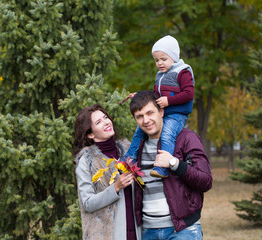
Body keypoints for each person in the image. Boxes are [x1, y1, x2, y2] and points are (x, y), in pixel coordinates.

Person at [129, 90, 212, 239]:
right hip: (148, 231)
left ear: (161, 111)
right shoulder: (137, 148)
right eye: (139, 117)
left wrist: (174, 163)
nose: (145, 120)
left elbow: (205, 181)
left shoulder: (186, 138)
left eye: (150, 113)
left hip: (182, 230)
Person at [125, 35, 195, 178]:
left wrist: (169, 101)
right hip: (162, 112)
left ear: (173, 57)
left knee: (167, 135)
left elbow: (189, 94)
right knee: (139, 131)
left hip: (177, 113)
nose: (160, 63)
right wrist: (140, 95)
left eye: (164, 59)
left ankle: (162, 167)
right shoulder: (160, 75)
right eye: (157, 60)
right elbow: (156, 96)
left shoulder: (183, 72)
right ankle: (128, 160)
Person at [74, 104, 141, 240]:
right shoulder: (86, 161)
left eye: (105, 117)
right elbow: (87, 203)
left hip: (137, 231)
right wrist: (116, 187)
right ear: (90, 134)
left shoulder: (128, 151)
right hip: (107, 235)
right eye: (99, 122)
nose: (106, 122)